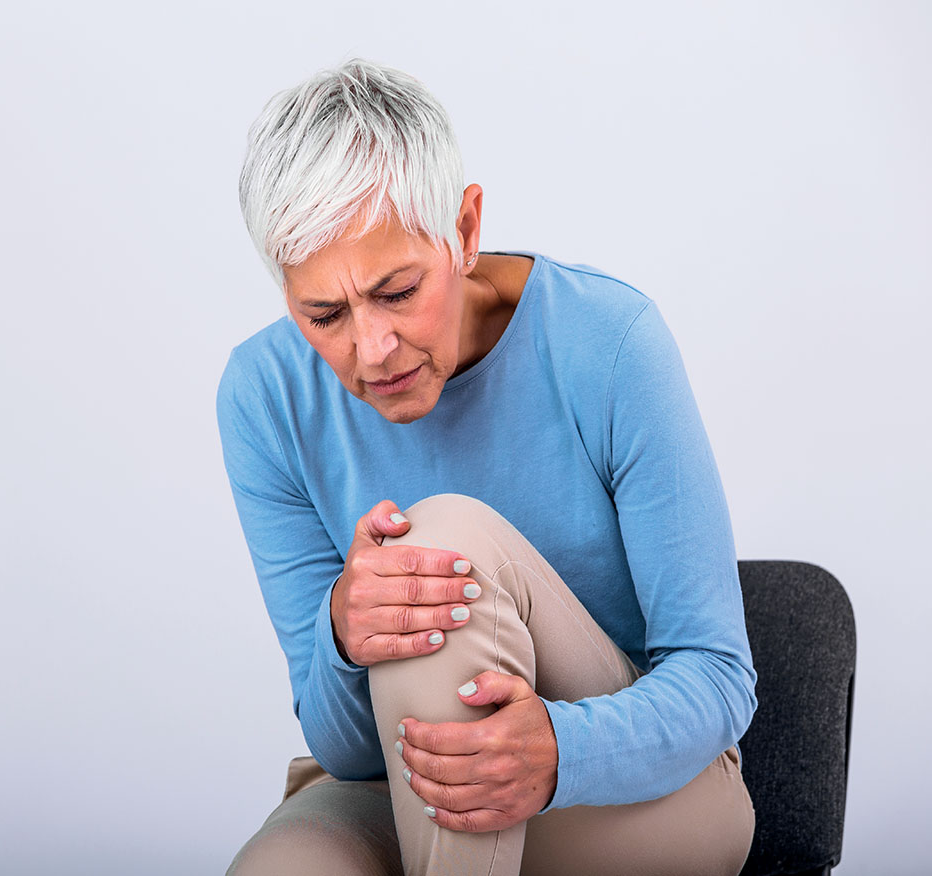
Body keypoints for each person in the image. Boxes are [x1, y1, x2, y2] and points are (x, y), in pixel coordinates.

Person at [217, 57, 757, 876]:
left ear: (465, 232)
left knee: (438, 541)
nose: (371, 349)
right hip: (399, 780)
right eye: (323, 313)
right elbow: (342, 747)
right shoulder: (263, 397)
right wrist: (342, 628)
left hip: (637, 785)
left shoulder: (608, 343)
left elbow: (719, 680)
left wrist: (557, 749)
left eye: (398, 291)